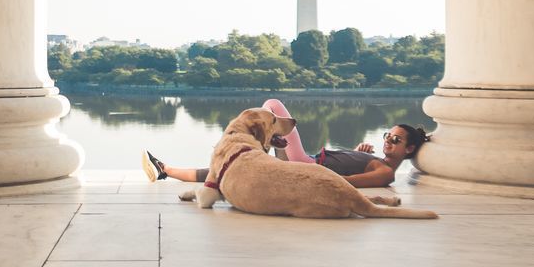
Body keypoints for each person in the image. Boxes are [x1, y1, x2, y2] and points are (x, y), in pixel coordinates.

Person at [141, 97, 429, 190]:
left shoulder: (386, 172)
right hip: (304, 164)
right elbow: (346, 167)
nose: (389, 141)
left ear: (409, 150)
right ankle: (165, 169)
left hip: (305, 165)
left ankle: (262, 144)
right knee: (224, 170)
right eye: (387, 136)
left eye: (396, 140)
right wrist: (356, 151)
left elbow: (348, 182)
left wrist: (309, 176)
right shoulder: (375, 160)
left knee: (273, 105)